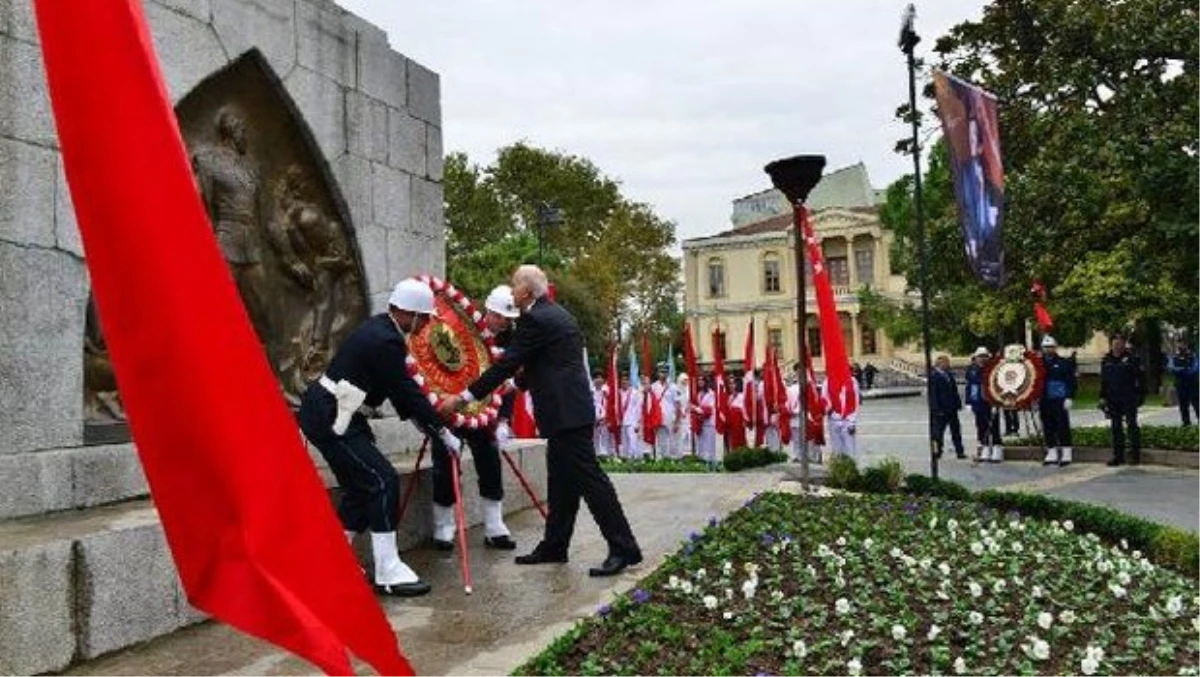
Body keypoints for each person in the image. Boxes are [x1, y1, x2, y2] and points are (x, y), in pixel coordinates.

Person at [441, 265, 642, 577]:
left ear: (526, 292)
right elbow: (546, 363)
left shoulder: (535, 319)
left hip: (566, 414)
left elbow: (508, 363)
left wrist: (464, 398)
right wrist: (516, 385)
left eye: (514, 286)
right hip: (568, 412)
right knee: (561, 483)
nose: (511, 291)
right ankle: (554, 545)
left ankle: (623, 548)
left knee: (592, 481)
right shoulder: (558, 314)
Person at [297, 279, 462, 597]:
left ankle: (333, 561)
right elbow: (406, 392)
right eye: (422, 316)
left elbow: (399, 395)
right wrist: (441, 431)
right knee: (381, 480)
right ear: (404, 312)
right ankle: (388, 569)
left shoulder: (382, 332)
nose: (426, 323)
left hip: (336, 414)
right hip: (332, 415)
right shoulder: (385, 340)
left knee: (361, 487)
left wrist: (432, 428)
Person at [431, 285, 521, 552]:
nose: (503, 323)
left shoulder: (511, 341)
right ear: (487, 311)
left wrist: (504, 419)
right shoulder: (464, 328)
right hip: (452, 405)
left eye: (509, 319)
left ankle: (494, 526)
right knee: (445, 463)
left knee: (490, 461)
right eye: (500, 317)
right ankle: (443, 526)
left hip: (484, 410)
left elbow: (508, 381)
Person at [1100, 334, 1146, 466]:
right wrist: (1102, 397)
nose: (1117, 345)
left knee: (1132, 426)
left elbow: (1141, 379)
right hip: (1113, 398)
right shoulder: (1106, 360)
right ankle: (1118, 456)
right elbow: (1104, 381)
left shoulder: (1132, 359)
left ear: (1123, 344)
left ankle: (1135, 455)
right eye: (1115, 343)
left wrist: (1141, 396)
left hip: (1129, 397)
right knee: (1116, 427)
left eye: (1119, 343)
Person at [1038, 335, 1077, 466]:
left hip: (1059, 399)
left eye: (1050, 347)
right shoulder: (1038, 364)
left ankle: (1066, 451)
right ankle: (1052, 451)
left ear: (1055, 348)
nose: (1048, 350)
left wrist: (1069, 397)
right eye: (1046, 347)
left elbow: (1071, 381)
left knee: (1062, 426)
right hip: (1044, 399)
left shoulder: (1063, 363)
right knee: (1048, 426)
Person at [964, 347, 1003, 463]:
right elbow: (969, 387)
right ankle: (984, 446)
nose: (982, 359)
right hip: (977, 401)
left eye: (984, 356)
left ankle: (996, 447)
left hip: (990, 400)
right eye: (980, 357)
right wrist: (968, 402)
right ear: (975, 358)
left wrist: (997, 401)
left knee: (993, 425)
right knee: (980, 425)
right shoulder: (971, 369)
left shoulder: (992, 369)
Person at [929, 355, 965, 459]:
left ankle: (960, 451)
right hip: (941, 410)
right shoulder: (934, 376)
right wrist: (936, 409)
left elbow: (954, 391)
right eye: (946, 363)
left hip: (952, 408)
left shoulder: (949, 375)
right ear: (939, 364)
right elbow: (933, 395)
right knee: (937, 433)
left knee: (956, 431)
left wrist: (958, 403)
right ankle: (937, 452)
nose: (948, 364)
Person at [822, 375, 860, 461]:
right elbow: (824, 398)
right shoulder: (827, 381)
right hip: (834, 419)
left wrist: (852, 420)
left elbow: (855, 401)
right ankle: (838, 469)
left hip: (848, 419)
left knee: (850, 448)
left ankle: (850, 468)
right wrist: (829, 410)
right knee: (836, 448)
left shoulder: (852, 380)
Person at [646, 367, 678, 457]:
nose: (663, 374)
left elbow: (677, 404)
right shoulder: (653, 386)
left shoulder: (673, 387)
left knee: (672, 439)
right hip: (658, 417)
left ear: (668, 373)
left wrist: (677, 422)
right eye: (661, 372)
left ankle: (672, 459)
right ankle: (662, 459)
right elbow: (649, 402)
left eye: (665, 372)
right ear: (657, 373)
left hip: (670, 416)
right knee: (660, 439)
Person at [1168, 344, 1200, 426]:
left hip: (1193, 385)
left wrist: (1183, 371)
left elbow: (1195, 369)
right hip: (1181, 386)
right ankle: (1186, 423)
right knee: (1183, 407)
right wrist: (1184, 369)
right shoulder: (1175, 358)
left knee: (1197, 405)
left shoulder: (1193, 357)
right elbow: (1171, 368)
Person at [691, 374, 718, 462]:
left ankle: (711, 462)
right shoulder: (699, 394)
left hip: (709, 423)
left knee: (709, 445)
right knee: (701, 445)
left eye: (702, 380)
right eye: (699, 380)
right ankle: (702, 461)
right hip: (701, 424)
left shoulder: (711, 394)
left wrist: (695, 408)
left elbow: (708, 410)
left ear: (706, 382)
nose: (700, 382)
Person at [725, 374, 748, 450]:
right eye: (730, 383)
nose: (731, 386)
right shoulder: (729, 397)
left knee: (740, 444)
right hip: (731, 425)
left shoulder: (742, 396)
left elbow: (744, 411)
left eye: (733, 383)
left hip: (739, 425)